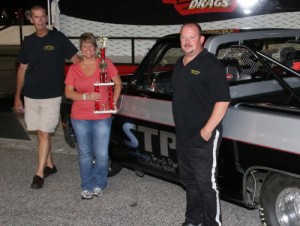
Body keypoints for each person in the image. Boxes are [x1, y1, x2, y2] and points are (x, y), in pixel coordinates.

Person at [14, 5, 80, 189]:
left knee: (44, 133)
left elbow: (76, 61)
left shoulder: (57, 38)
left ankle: (39, 173)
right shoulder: (27, 41)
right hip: (31, 95)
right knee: (39, 131)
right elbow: (22, 69)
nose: (40, 20)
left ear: (46, 19)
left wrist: (78, 83)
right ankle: (50, 165)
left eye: (43, 17)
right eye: (37, 17)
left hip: (51, 96)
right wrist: (17, 96)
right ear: (31, 19)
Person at [172, 23, 231, 226]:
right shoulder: (180, 63)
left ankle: (212, 223)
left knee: (206, 183)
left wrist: (206, 131)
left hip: (203, 137)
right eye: (183, 37)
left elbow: (223, 101)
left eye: (192, 37)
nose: (187, 42)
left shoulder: (210, 64)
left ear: (201, 39)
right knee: (189, 181)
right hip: (183, 136)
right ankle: (193, 219)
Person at [64, 33, 122, 199]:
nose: (87, 49)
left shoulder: (105, 64)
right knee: (85, 153)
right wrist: (85, 97)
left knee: (102, 154)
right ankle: (87, 184)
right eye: (84, 46)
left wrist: (113, 101)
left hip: (102, 115)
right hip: (80, 116)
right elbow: (68, 93)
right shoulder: (74, 68)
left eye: (90, 46)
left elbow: (118, 83)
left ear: (96, 48)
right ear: (80, 49)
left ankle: (100, 182)